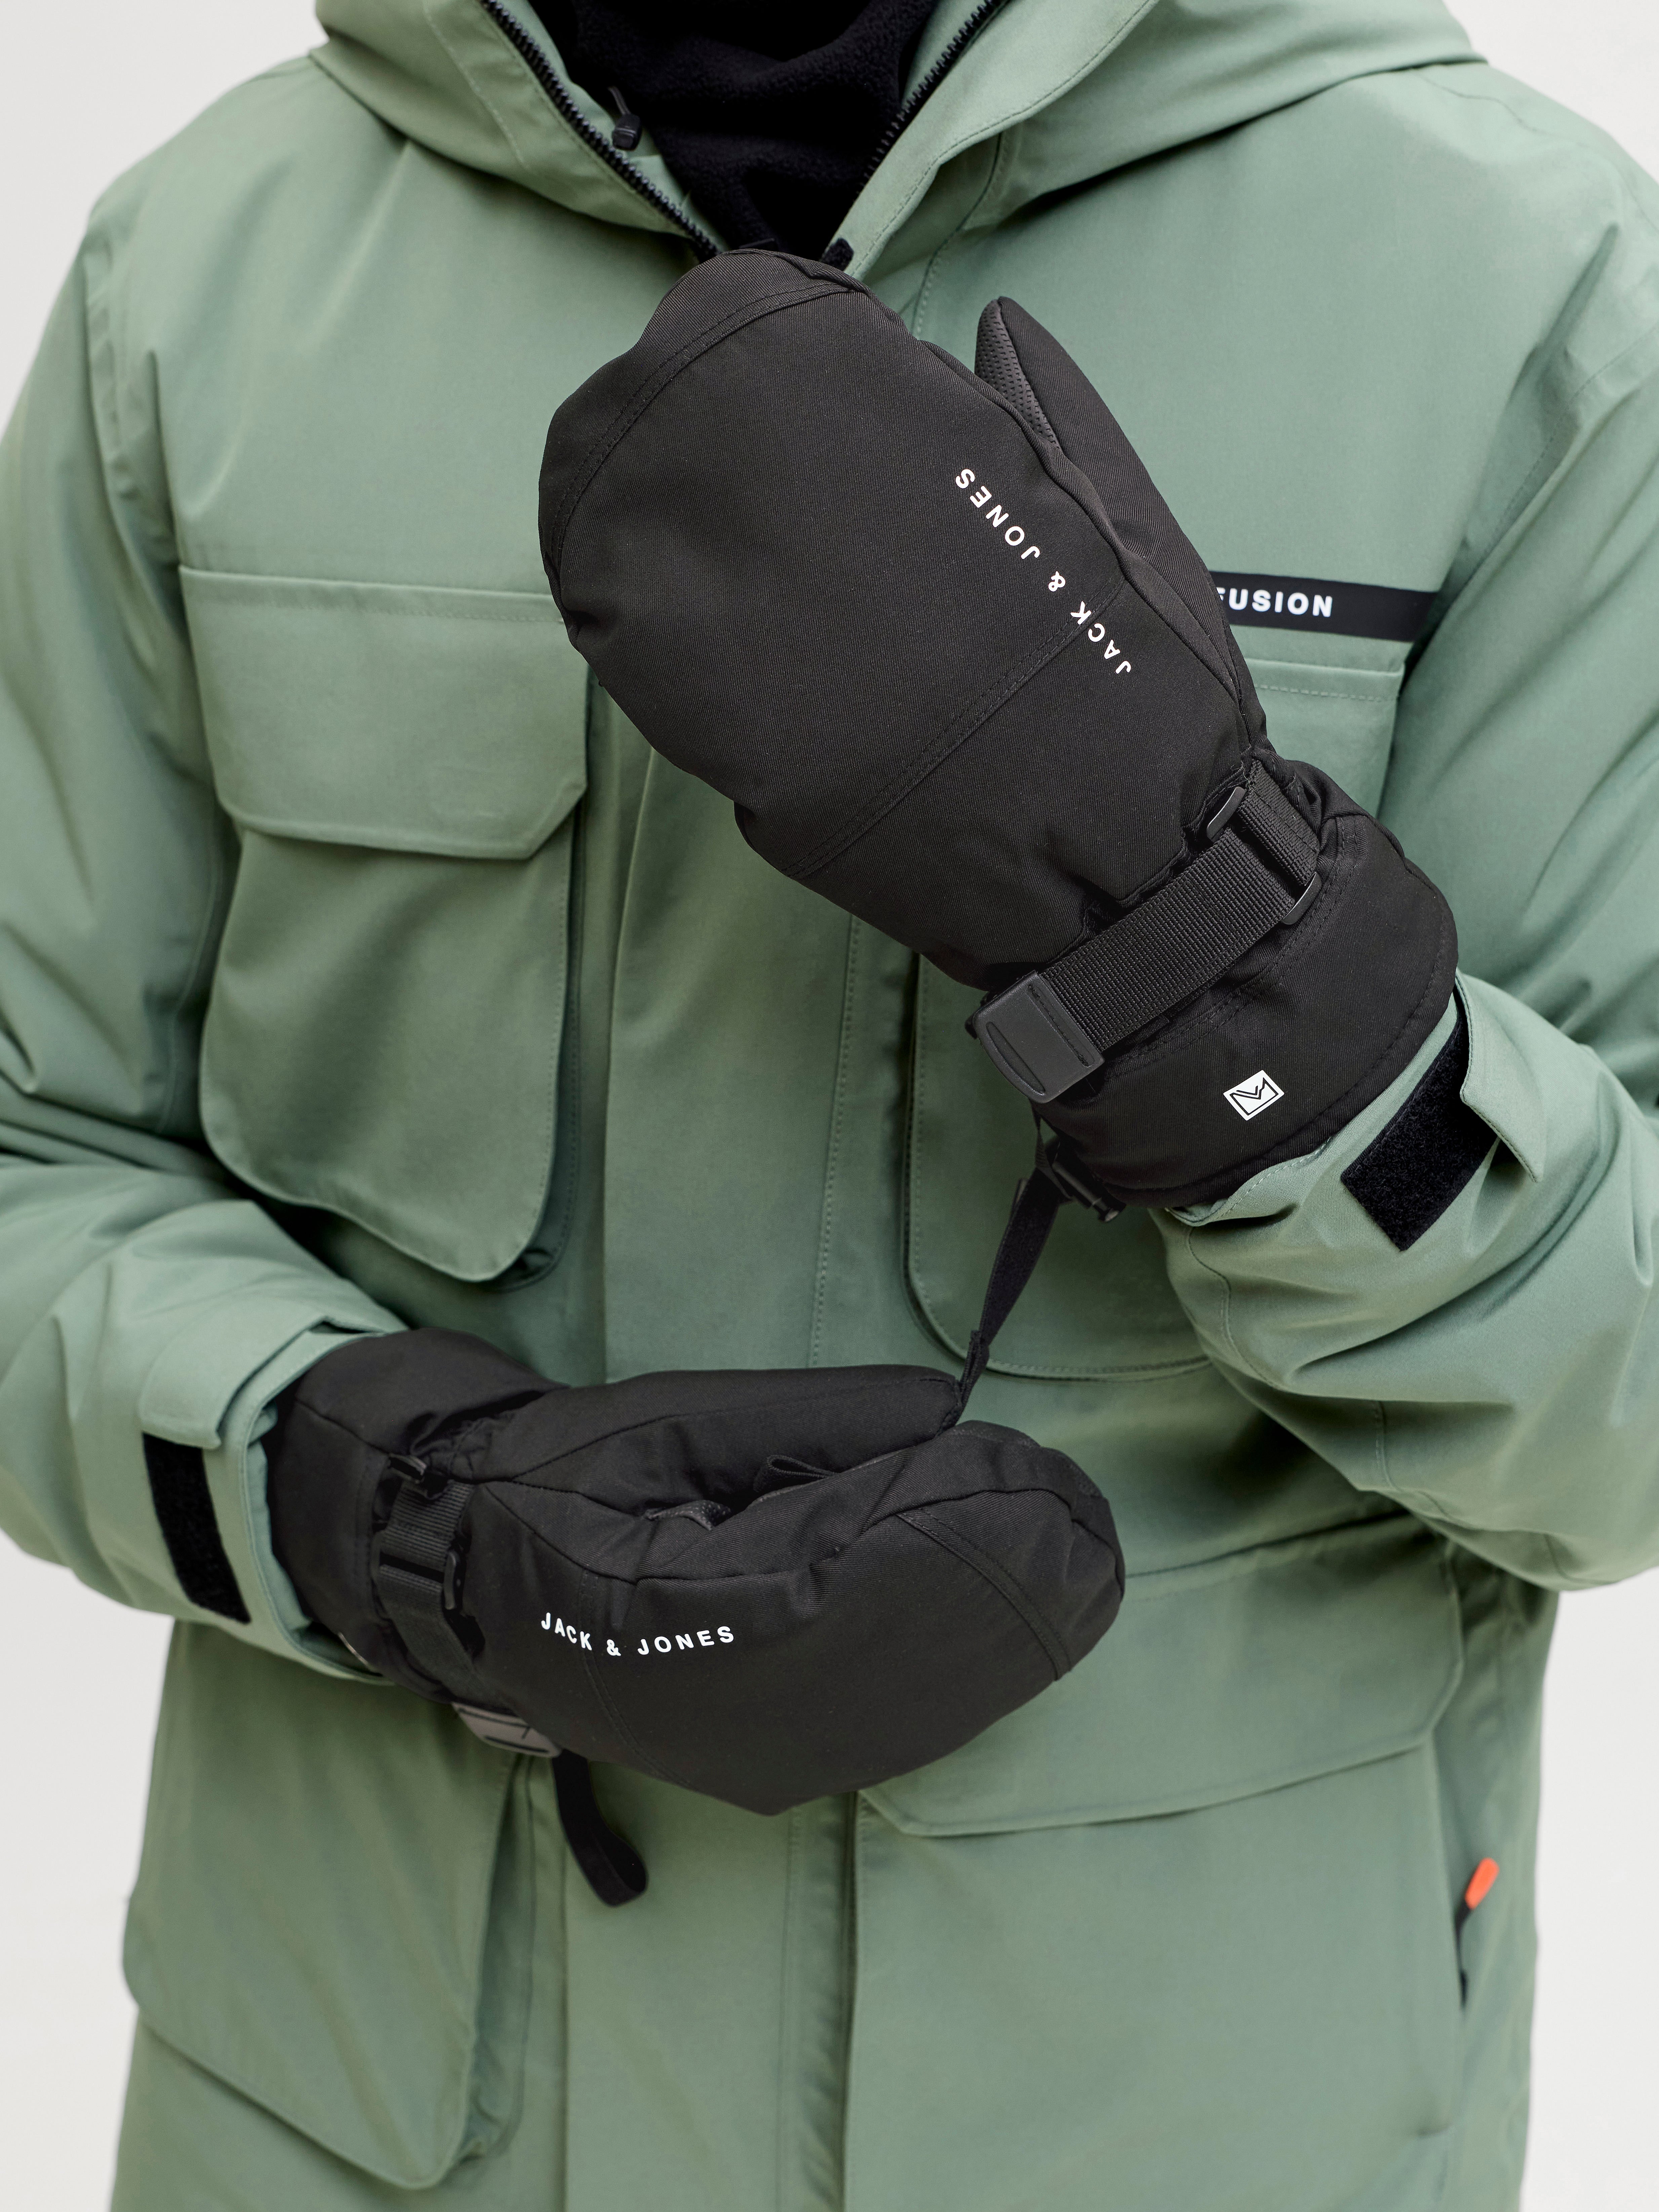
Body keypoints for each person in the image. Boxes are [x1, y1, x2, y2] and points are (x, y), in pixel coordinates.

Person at [2, 1, 1657, 2205]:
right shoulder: (210, 267)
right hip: (346, 2117)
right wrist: (370, 1500)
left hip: (1195, 2130)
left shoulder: (1518, 285)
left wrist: (1236, 975)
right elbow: (34, 1149)